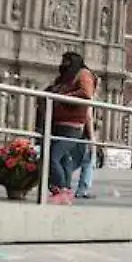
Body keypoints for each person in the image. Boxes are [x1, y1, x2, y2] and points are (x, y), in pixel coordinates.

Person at [40, 52, 96, 204]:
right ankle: (65, 191)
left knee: (53, 156)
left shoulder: (83, 74)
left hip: (73, 125)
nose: (63, 64)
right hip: (58, 124)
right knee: (65, 159)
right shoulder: (65, 78)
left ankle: (61, 188)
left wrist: (63, 96)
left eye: (66, 61)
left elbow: (86, 94)